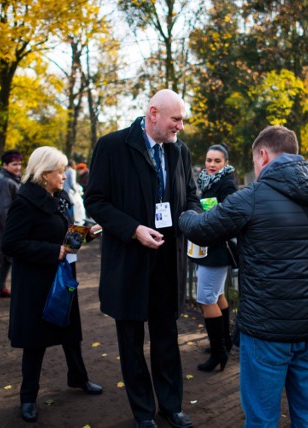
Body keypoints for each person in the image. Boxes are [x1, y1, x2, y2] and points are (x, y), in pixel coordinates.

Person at [179, 126, 308, 427]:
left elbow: (201, 228)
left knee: (262, 418)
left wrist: (187, 211)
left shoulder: (253, 196)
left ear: (263, 155)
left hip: (267, 328)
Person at [85, 89, 200, 428]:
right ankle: (142, 411)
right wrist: (133, 228)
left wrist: (193, 220)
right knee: (132, 342)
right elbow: (96, 201)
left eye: (182, 120)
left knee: (166, 337)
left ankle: (171, 405)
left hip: (167, 260)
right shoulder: (111, 147)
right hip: (129, 262)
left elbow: (191, 196)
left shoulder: (180, 151)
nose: (180, 126)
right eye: (175, 119)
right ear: (153, 114)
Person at [2, 146, 103, 423]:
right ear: (45, 173)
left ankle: (78, 378)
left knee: (70, 332)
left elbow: (65, 234)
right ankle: (28, 397)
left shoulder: (57, 197)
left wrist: (89, 234)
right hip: (36, 281)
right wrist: (52, 252)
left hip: (61, 276)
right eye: (59, 170)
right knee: (35, 342)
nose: (64, 175)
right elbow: (10, 244)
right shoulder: (25, 202)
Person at [190, 143, 237, 372]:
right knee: (217, 295)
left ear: (225, 163)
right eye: (209, 160)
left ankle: (219, 352)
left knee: (206, 298)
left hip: (217, 249)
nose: (211, 164)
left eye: (217, 161)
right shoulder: (208, 181)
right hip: (209, 247)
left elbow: (229, 215)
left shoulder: (226, 184)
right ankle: (224, 342)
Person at [0, 150, 22, 298]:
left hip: (6, 229)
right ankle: (21, 292)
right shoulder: (5, 181)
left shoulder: (8, 178)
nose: (18, 167)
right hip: (7, 229)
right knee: (17, 261)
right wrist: (13, 232)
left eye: (20, 164)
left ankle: (0, 288)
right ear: (5, 165)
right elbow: (4, 210)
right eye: (14, 164)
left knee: (6, 260)